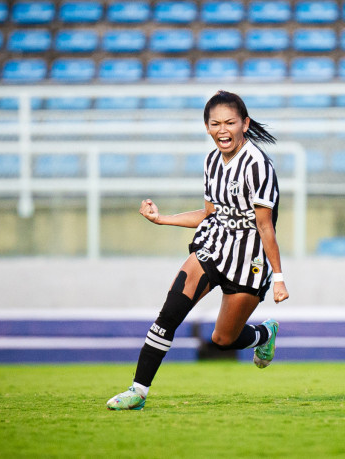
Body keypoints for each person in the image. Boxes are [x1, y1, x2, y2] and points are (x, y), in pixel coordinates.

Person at [107, 90, 290, 411]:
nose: (223, 129)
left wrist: (278, 277)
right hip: (213, 248)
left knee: (223, 340)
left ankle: (264, 334)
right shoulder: (210, 161)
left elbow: (265, 227)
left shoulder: (258, 166)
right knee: (168, 315)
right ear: (207, 127)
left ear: (244, 124)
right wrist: (161, 219)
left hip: (250, 263)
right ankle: (138, 391)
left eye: (230, 122)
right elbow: (209, 214)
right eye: (215, 123)